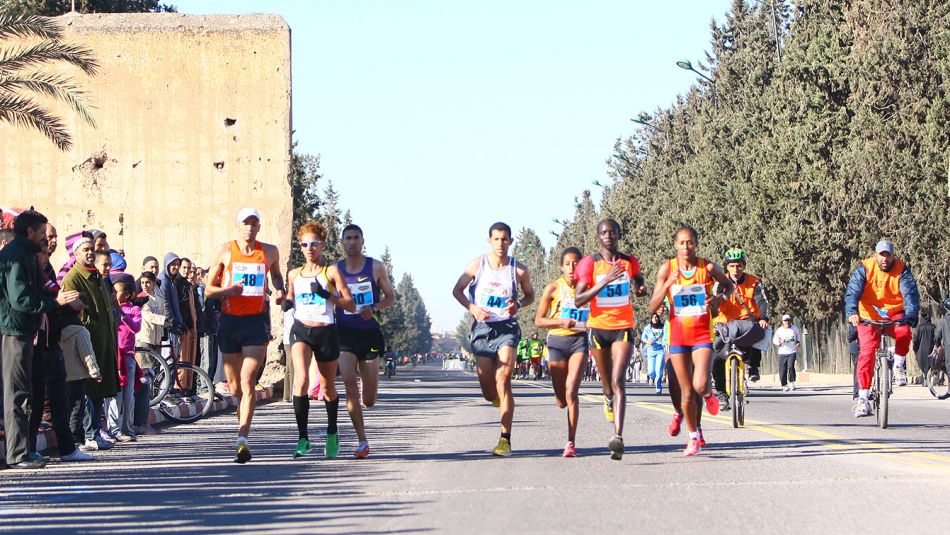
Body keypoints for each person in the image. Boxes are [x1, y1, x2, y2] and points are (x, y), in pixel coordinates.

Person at [0, 211, 81, 469]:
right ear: (30, 231)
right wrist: (53, 303)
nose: (46, 237)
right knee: (17, 393)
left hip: (27, 331)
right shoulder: (15, 256)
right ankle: (17, 454)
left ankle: (26, 450)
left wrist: (60, 302)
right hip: (14, 331)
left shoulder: (27, 255)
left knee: (28, 392)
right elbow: (21, 300)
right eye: (43, 232)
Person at [205, 207, 286, 463]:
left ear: (259, 227)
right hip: (230, 322)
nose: (249, 228)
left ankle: (242, 438)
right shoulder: (225, 250)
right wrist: (229, 290)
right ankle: (242, 414)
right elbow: (209, 289)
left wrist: (281, 290)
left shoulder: (269, 251)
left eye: (254, 223)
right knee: (236, 386)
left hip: (256, 322)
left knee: (248, 379)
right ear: (238, 226)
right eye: (245, 223)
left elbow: (276, 277)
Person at [451, 222, 534, 457]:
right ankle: (495, 397)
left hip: (507, 328)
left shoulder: (519, 270)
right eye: (496, 239)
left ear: (511, 241)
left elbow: (530, 296)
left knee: (504, 377)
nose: (500, 243)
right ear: (489, 241)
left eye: (505, 239)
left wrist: (518, 304)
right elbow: (457, 290)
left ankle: (505, 439)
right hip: (482, 328)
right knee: (488, 388)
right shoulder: (477, 265)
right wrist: (472, 308)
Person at [648, 225, 732, 456]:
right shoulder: (668, 268)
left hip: (702, 334)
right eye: (682, 243)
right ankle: (693, 436)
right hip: (677, 337)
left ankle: (709, 395)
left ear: (696, 243)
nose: (686, 247)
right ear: (675, 245)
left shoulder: (708, 267)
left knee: (700, 384)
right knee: (685, 392)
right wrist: (667, 284)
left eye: (690, 242)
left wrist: (717, 299)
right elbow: (653, 305)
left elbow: (728, 285)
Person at [573, 219, 647, 460]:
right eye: (604, 232)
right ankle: (607, 398)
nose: (608, 236)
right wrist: (604, 280)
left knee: (618, 380)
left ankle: (618, 437)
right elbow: (579, 300)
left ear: (618, 235)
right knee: (607, 385)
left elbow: (637, 279)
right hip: (598, 328)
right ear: (598, 237)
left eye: (612, 232)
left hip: (623, 326)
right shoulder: (589, 264)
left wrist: (640, 287)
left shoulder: (628, 261)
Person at [284, 221, 355, 459]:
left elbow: (350, 303)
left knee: (327, 387)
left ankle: (332, 431)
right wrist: (286, 301)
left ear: (322, 245)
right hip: (301, 330)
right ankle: (303, 438)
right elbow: (290, 298)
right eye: (305, 244)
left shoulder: (331, 272)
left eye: (314, 243)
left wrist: (328, 295)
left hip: (326, 332)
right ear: (300, 246)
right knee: (301, 380)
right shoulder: (294, 274)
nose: (309, 248)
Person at [335, 224, 396, 459]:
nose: (352, 242)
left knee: (368, 399)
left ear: (362, 241)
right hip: (345, 334)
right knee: (349, 382)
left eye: (356, 238)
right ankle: (362, 440)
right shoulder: (335, 270)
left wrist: (374, 308)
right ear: (342, 242)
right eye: (348, 238)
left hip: (370, 334)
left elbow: (390, 298)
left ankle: (366, 395)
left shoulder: (376, 267)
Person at [844, 240, 920, 417]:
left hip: (894, 313)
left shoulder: (902, 269)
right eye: (882, 255)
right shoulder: (865, 268)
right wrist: (852, 311)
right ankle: (863, 398)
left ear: (893, 256)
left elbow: (910, 294)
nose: (885, 259)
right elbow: (852, 292)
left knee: (904, 332)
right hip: (868, 315)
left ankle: (899, 364)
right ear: (875, 255)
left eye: (888, 255)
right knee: (867, 353)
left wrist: (910, 314)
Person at [62, 240, 120, 451]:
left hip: (103, 342)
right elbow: (75, 311)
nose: (89, 253)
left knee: (99, 389)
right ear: (76, 254)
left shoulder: (98, 277)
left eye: (91, 250)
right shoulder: (73, 278)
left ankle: (95, 431)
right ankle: (89, 433)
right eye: (85, 250)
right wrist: (92, 326)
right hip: (86, 342)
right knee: (86, 388)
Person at [534, 246, 589, 457]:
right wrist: (560, 321)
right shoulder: (553, 288)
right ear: (561, 266)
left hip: (579, 342)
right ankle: (561, 399)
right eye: (568, 263)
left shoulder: (588, 288)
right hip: (557, 342)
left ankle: (570, 443)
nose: (572, 267)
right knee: (560, 400)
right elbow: (539, 320)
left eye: (576, 263)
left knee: (572, 392)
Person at [711, 248, 770, 408]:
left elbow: (763, 302)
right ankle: (722, 394)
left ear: (743, 266)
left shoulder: (754, 282)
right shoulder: (720, 284)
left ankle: (753, 367)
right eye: (732, 266)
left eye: (739, 266)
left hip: (746, 322)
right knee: (716, 359)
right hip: (724, 325)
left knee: (757, 331)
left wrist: (764, 317)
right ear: (726, 267)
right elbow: (712, 302)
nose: (736, 270)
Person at [772, 314, 801, 391]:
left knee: (791, 366)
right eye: (785, 321)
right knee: (783, 369)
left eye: (788, 320)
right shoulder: (779, 330)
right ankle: (784, 384)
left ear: (790, 321)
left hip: (792, 351)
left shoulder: (794, 329)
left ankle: (791, 382)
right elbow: (774, 340)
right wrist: (780, 341)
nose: (787, 322)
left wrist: (798, 342)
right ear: (782, 322)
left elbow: (798, 335)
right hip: (782, 352)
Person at [640, 313, 666, 394]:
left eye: (656, 317)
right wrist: (647, 341)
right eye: (653, 317)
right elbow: (643, 337)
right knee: (651, 371)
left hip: (660, 351)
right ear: (651, 319)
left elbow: (666, 336)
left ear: (658, 318)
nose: (655, 318)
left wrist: (663, 340)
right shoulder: (648, 328)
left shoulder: (663, 327)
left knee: (659, 370)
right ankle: (651, 377)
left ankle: (658, 387)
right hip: (650, 351)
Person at [913, 312, 936, 384]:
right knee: (929, 365)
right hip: (931, 349)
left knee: (923, 365)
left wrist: (915, 348)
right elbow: (936, 337)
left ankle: (926, 379)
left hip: (921, 351)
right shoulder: (933, 327)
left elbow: (915, 339)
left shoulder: (919, 327)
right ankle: (928, 379)